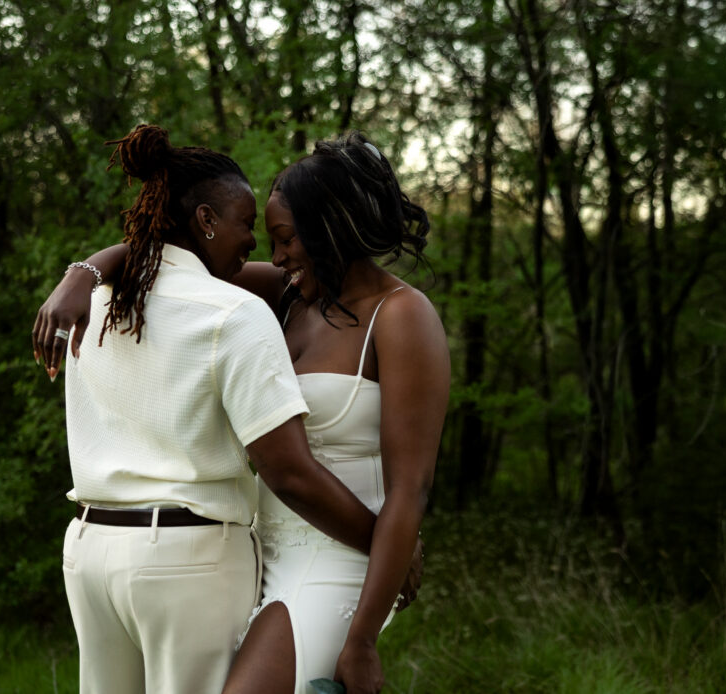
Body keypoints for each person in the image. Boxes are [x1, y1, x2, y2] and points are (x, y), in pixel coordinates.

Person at [37, 132, 450, 694]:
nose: (274, 255)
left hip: (340, 558)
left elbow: (412, 489)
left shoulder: (401, 317)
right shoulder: (286, 294)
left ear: (330, 229)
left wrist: (364, 637)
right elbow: (165, 262)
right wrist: (82, 273)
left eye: (284, 238)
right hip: (254, 554)